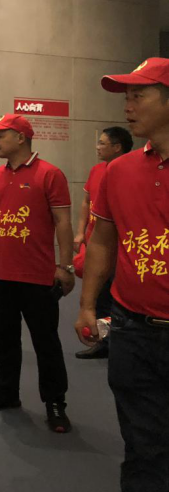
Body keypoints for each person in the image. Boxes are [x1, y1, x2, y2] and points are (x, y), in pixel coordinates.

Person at [75, 58, 169, 492]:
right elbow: (102, 242)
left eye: (138, 96)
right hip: (133, 329)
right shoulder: (119, 170)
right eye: (126, 97)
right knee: (142, 446)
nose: (127, 106)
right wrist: (87, 305)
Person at [0, 114, 74, 433]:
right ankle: (7, 392)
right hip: (0, 273)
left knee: (46, 341)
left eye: (0, 136)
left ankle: (55, 402)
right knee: (5, 338)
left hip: (37, 275)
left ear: (20, 137)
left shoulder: (50, 174)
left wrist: (65, 266)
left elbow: (63, 222)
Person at [73, 126, 133, 359]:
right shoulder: (97, 170)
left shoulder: (130, 170)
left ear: (117, 147)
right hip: (95, 242)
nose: (97, 147)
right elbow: (86, 202)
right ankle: (102, 342)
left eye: (102, 143)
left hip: (121, 248)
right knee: (99, 294)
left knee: (118, 298)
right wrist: (80, 233)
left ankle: (119, 344)